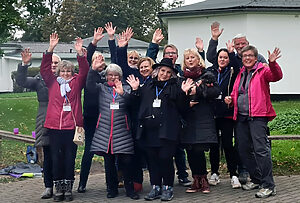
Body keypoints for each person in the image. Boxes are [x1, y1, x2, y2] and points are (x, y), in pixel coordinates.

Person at [127, 58, 193, 201]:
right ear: (157, 71)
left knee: (165, 159)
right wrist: (134, 90)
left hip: (167, 132)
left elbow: (184, 109)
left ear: (172, 75)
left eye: (168, 72)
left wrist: (184, 93)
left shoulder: (175, 88)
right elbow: (135, 105)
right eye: (162, 71)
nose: (164, 74)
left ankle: (168, 187)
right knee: (152, 161)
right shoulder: (147, 86)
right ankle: (155, 186)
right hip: (149, 131)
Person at [225, 46, 282, 198]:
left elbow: (277, 76)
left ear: (256, 58)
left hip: (258, 116)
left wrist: (272, 63)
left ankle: (269, 185)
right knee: (243, 149)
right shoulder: (241, 73)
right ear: (242, 59)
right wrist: (231, 99)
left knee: (260, 150)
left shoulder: (263, 71)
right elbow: (237, 91)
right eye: (245, 56)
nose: (247, 58)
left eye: (250, 55)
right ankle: (257, 179)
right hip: (242, 117)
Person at [40, 33, 89, 201]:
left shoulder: (76, 83)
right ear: (59, 72)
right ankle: (58, 187)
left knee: (69, 157)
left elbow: (84, 70)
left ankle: (68, 188)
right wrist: (51, 48)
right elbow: (44, 69)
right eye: (63, 71)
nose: (66, 74)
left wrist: (80, 54)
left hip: (72, 127)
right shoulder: (52, 82)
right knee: (55, 158)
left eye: (69, 71)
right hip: (54, 127)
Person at [146, 28, 195, 187]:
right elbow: (148, 61)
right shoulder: (153, 82)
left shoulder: (180, 74)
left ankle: (181, 176)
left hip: (175, 120)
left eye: (173, 53)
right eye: (167, 53)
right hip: (156, 123)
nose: (170, 55)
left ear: (176, 55)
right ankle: (157, 185)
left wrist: (185, 94)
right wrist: (154, 44)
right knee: (159, 156)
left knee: (178, 151)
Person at [86, 61, 139, 200]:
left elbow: (133, 104)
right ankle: (111, 189)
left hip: (123, 131)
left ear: (120, 77)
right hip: (105, 132)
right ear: (106, 76)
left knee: (127, 162)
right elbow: (89, 85)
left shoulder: (126, 88)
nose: (113, 77)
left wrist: (123, 94)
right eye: (110, 75)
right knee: (109, 163)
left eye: (116, 75)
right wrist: (92, 70)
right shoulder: (101, 88)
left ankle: (130, 189)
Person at [16, 49, 61, 199]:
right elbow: (21, 81)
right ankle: (48, 187)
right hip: (45, 119)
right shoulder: (39, 80)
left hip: (63, 119)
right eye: (51, 62)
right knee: (48, 155)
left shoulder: (67, 79)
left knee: (63, 155)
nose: (53, 65)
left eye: (56, 63)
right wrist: (25, 64)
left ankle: (63, 186)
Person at [179, 48, 220, 194]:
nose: (190, 60)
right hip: (188, 119)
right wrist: (186, 100)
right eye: (187, 58)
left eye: (192, 57)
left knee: (199, 149)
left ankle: (204, 179)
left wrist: (200, 91)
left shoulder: (207, 75)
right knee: (190, 149)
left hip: (203, 118)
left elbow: (216, 92)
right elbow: (177, 99)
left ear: (198, 59)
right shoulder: (182, 78)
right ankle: (195, 179)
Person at [206, 36, 241, 188]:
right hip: (212, 114)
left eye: (225, 57)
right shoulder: (210, 71)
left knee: (227, 144)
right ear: (217, 59)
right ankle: (214, 172)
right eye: (220, 57)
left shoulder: (233, 71)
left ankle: (234, 174)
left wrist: (231, 99)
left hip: (227, 113)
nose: (222, 59)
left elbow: (238, 68)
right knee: (214, 145)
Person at [77, 27, 107, 193]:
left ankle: (115, 181)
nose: (99, 60)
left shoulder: (109, 74)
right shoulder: (88, 74)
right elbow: (86, 58)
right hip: (90, 116)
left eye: (101, 58)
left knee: (111, 150)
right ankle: (82, 183)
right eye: (96, 58)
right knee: (89, 151)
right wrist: (94, 42)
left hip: (107, 116)